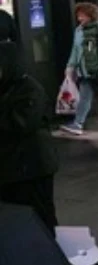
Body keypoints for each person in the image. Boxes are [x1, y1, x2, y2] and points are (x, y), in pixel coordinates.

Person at [0, 42, 59, 231]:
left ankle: (51, 256)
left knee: (40, 218)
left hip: (31, 168)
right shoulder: (6, 88)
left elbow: (22, 123)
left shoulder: (30, 88)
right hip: (10, 170)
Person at [60, 2, 98, 135]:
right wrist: (70, 66)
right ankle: (78, 124)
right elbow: (75, 50)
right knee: (86, 97)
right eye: (78, 16)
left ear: (91, 15)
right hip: (84, 71)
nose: (79, 18)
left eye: (82, 15)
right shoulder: (78, 30)